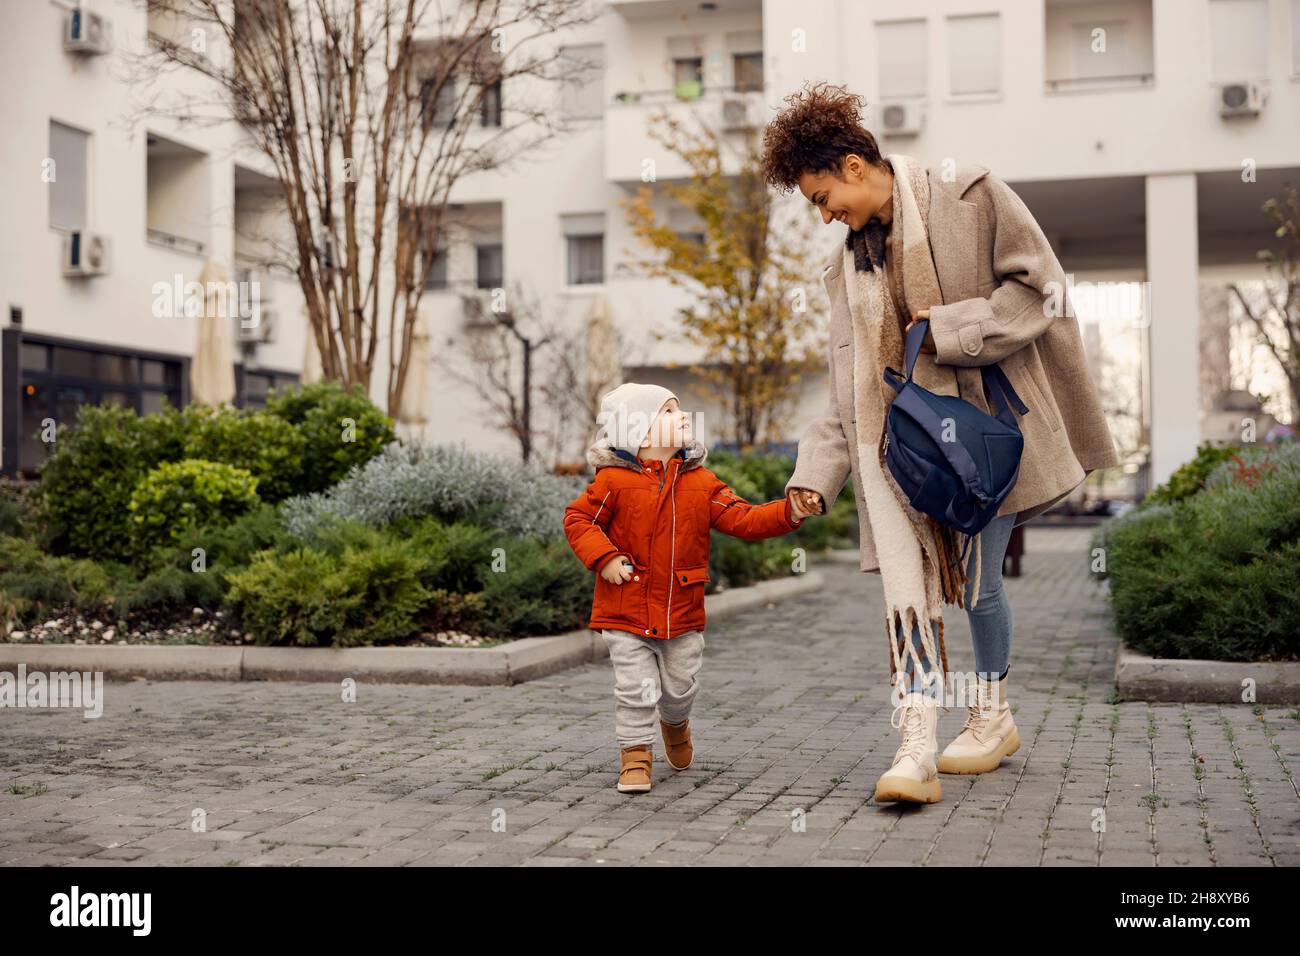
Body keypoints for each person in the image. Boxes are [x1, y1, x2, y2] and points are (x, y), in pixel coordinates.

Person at [759, 81, 1120, 804]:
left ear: (856, 166)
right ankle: (917, 741)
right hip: (897, 454)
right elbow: (849, 385)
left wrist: (953, 328)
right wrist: (815, 474)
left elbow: (1041, 291)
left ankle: (991, 714)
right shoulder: (845, 269)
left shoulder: (972, 197)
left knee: (983, 586)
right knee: (909, 593)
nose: (825, 215)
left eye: (823, 196)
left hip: (987, 438)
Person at [562, 383, 817, 793]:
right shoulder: (612, 482)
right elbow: (579, 521)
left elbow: (744, 519)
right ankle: (635, 756)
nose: (682, 417)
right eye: (668, 412)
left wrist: (790, 511)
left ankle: (676, 723)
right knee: (635, 687)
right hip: (625, 608)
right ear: (641, 433)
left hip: (681, 608)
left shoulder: (700, 483)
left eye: (678, 410)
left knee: (680, 686)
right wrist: (605, 557)